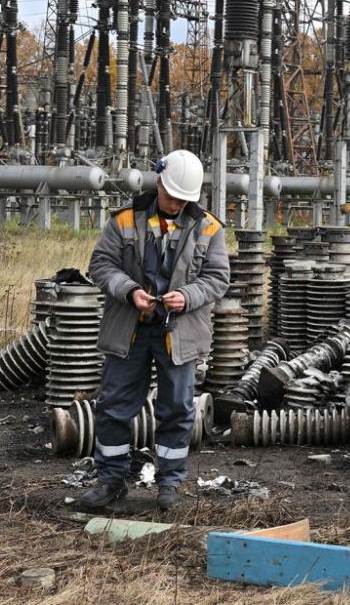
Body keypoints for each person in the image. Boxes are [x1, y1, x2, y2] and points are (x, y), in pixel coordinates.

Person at [78, 150, 230, 510]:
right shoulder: (124, 220)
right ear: (159, 182)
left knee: (177, 408)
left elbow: (217, 278)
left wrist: (187, 296)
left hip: (178, 332)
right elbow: (101, 265)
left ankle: (170, 487)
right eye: (171, 195)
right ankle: (111, 481)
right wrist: (129, 291)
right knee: (114, 406)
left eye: (184, 199)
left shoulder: (209, 227)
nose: (176, 203)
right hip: (130, 330)